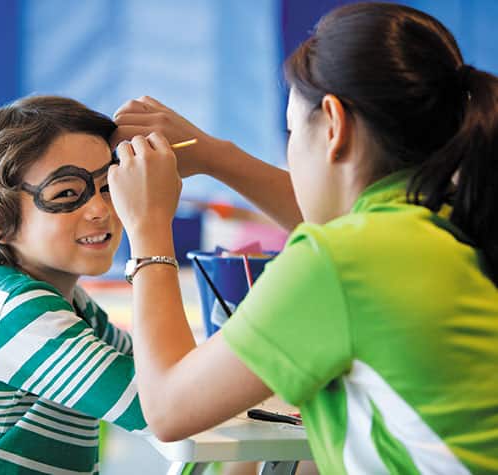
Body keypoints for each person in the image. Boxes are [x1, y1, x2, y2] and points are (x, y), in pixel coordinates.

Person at [108, 3, 498, 474]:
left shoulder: (341, 259)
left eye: (292, 130)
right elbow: (334, 223)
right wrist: (214, 156)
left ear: (333, 123)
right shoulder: (456, 221)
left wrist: (148, 226)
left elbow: (169, 409)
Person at [0, 96, 146, 475]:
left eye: (108, 186)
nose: (100, 209)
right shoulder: (15, 309)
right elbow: (158, 407)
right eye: (66, 193)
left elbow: (162, 371)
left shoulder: (70, 303)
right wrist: (151, 235)